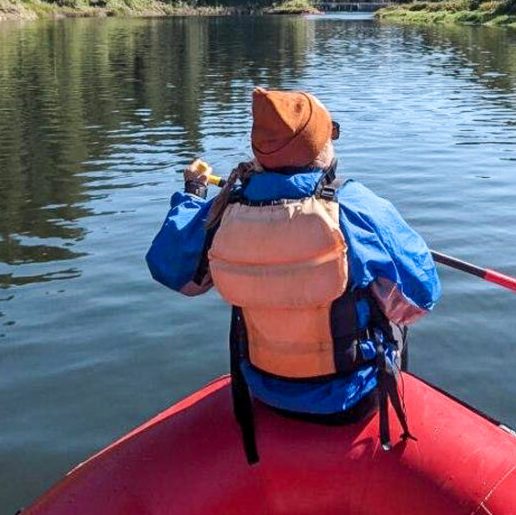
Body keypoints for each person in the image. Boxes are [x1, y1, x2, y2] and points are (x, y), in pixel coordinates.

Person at [146, 87, 440, 462]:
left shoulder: (225, 211)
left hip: (265, 393)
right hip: (353, 400)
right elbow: (423, 294)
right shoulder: (355, 208)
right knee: (386, 298)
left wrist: (192, 194)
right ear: (319, 149)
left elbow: (169, 267)